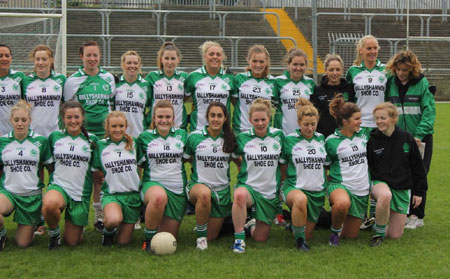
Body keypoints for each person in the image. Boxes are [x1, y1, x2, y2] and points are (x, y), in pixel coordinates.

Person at [64, 41, 116, 232]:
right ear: (82, 57)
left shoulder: (109, 78)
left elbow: (111, 105)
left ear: (100, 56)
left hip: (103, 135)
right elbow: (69, 109)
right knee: (81, 176)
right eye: (89, 55)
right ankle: (79, 217)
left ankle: (100, 217)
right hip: (83, 135)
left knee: (100, 176)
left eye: (95, 55)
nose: (92, 59)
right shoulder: (73, 80)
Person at [385, 50, 435, 229]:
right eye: (398, 69)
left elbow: (429, 112)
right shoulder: (390, 83)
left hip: (421, 138)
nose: (401, 73)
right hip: (399, 139)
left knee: (419, 174)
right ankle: (404, 213)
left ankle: (418, 215)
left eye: (405, 69)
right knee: (402, 174)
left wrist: (419, 135)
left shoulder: (422, 83)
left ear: (412, 69)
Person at [367, 102, 427, 246]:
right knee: (385, 195)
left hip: (401, 186)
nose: (379, 122)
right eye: (377, 119)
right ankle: (379, 235)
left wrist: (418, 192)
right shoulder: (372, 139)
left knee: (395, 235)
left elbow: (418, 167)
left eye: (383, 118)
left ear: (393, 118)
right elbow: (367, 166)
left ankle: (377, 224)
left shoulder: (407, 138)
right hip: (380, 183)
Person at [231, 98, 285, 253]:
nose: (260, 123)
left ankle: (251, 224)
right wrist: (242, 166)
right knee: (240, 195)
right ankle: (239, 239)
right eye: (256, 120)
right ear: (250, 120)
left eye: (263, 119)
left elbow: (283, 164)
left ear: (269, 118)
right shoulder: (242, 138)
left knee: (260, 238)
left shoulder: (278, 136)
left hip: (268, 193)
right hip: (249, 188)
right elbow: (234, 155)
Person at [42, 101, 97, 249]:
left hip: (80, 193)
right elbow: (49, 164)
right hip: (60, 186)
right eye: (69, 117)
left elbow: (96, 171)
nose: (73, 121)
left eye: (76, 117)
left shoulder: (92, 140)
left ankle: (77, 228)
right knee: (49, 204)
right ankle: (54, 233)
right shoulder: (54, 137)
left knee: (72, 242)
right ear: (63, 118)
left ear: (83, 117)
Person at [346, 35, 387, 229]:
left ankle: (374, 212)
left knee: (378, 167)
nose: (372, 52)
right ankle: (361, 214)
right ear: (361, 51)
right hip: (360, 127)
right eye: (368, 48)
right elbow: (349, 100)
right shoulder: (353, 71)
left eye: (375, 48)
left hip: (381, 127)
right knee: (362, 168)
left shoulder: (386, 70)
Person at [0, 100, 52, 250]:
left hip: (31, 197)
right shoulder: (2, 141)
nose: (20, 123)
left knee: (23, 243)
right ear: (11, 120)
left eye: (24, 120)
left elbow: (50, 168)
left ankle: (34, 222)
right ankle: (1, 233)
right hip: (8, 192)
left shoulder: (40, 141)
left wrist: (49, 191)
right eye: (16, 120)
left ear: (30, 120)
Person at [184, 102, 236, 250]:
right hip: (198, 187)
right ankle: (200, 238)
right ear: (207, 117)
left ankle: (209, 226)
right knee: (204, 194)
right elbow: (185, 159)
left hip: (222, 192)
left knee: (212, 237)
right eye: (212, 115)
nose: (215, 119)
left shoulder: (230, 138)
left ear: (225, 118)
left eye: (219, 116)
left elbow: (238, 161)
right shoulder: (194, 137)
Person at [137, 100, 188, 251]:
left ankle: (154, 227)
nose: (164, 120)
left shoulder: (182, 135)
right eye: (160, 116)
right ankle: (147, 240)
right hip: (153, 184)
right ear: (154, 118)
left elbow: (189, 158)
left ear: (173, 118)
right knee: (159, 198)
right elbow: (138, 165)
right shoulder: (144, 138)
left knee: (167, 237)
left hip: (177, 190)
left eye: (168, 116)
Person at [92, 111, 143, 246]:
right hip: (112, 195)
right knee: (114, 220)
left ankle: (120, 228)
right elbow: (96, 172)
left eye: (121, 126)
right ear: (108, 127)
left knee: (123, 242)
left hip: (132, 196)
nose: (117, 129)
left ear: (126, 126)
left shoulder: (134, 143)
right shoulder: (101, 145)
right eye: (114, 126)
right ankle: (108, 232)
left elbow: (142, 165)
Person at [282, 98, 327, 251]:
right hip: (295, 188)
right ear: (298, 122)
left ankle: (294, 224)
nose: (309, 128)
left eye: (313, 124)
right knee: (300, 200)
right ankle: (299, 242)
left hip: (317, 193)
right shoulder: (289, 140)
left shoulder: (321, 139)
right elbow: (282, 166)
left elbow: (325, 167)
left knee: (307, 233)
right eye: (306, 124)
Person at [325, 94, 370, 246]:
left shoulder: (365, 134)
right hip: (340, 185)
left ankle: (335, 222)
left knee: (350, 237)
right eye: (356, 119)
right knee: (342, 204)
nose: (360, 122)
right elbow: (324, 166)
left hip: (361, 190)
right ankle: (334, 233)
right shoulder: (331, 141)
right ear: (345, 121)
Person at [185, 41, 235, 131]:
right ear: (205, 56)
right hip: (198, 131)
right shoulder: (193, 76)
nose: (215, 57)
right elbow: (181, 100)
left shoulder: (230, 78)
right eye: (211, 54)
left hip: (223, 132)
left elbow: (237, 103)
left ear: (222, 57)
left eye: (218, 54)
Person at [232, 44, 278, 134]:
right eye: (254, 61)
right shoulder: (239, 78)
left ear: (267, 62)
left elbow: (276, 106)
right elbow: (233, 101)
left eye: (261, 61)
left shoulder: (273, 82)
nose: (258, 65)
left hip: (263, 133)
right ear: (248, 60)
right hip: (241, 132)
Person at [22, 45, 65, 137]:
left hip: (55, 133)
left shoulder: (61, 79)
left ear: (51, 60)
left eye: (44, 59)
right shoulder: (25, 81)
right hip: (32, 134)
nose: (40, 62)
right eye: (37, 59)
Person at [146, 42, 188, 130]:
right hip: (156, 127)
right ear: (161, 59)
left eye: (173, 58)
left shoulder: (184, 77)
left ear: (178, 60)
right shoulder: (152, 77)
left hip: (178, 127)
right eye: (166, 58)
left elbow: (188, 96)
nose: (169, 62)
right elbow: (146, 99)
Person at [311, 54, 354, 138]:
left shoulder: (349, 89)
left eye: (338, 69)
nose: (335, 73)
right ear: (325, 70)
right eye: (331, 70)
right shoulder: (317, 90)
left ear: (342, 70)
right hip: (324, 135)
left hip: (344, 135)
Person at [275, 48, 315, 136]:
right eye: (295, 64)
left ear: (306, 66)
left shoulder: (310, 83)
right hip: (284, 134)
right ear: (289, 64)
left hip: (305, 134)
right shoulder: (278, 81)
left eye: (302, 65)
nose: (298, 68)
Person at [114, 50, 151, 138]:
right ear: (123, 64)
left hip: (139, 135)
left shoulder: (146, 85)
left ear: (139, 65)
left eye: (135, 63)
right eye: (129, 63)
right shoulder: (116, 84)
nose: (132, 66)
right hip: (118, 135)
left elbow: (152, 107)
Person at [0, 44, 25, 136]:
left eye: (7, 56)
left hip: (15, 133)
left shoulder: (20, 77)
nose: (4, 59)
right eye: (0, 56)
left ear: (11, 58)